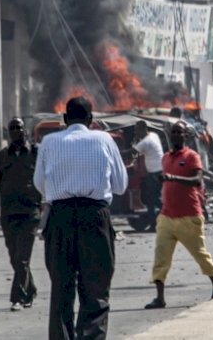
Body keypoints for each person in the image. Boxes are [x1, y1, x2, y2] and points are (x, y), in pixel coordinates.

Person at [33, 97, 128, 340]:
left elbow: (39, 184)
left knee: (61, 289)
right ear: (91, 120)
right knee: (96, 288)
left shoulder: (49, 142)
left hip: (59, 217)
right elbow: (120, 185)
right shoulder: (104, 139)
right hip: (94, 217)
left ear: (64, 119)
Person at [144, 121, 213, 309]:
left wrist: (174, 178)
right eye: (172, 132)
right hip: (167, 216)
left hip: (189, 215)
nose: (175, 136)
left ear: (185, 136)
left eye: (178, 132)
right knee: (160, 257)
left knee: (200, 253)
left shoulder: (191, 156)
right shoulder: (165, 158)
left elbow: (197, 179)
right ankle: (159, 297)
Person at [0, 118, 41, 311]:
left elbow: (48, 178)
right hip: (8, 214)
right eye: (12, 128)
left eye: (19, 128)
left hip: (30, 213)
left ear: (26, 131)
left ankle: (18, 297)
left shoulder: (36, 153)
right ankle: (30, 289)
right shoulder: (2, 156)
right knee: (15, 258)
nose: (16, 131)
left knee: (23, 258)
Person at [133, 120, 164, 232]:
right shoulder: (153, 135)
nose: (136, 133)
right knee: (156, 198)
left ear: (143, 129)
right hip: (159, 171)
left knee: (152, 200)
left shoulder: (145, 142)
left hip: (154, 173)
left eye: (137, 130)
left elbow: (132, 151)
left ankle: (154, 224)